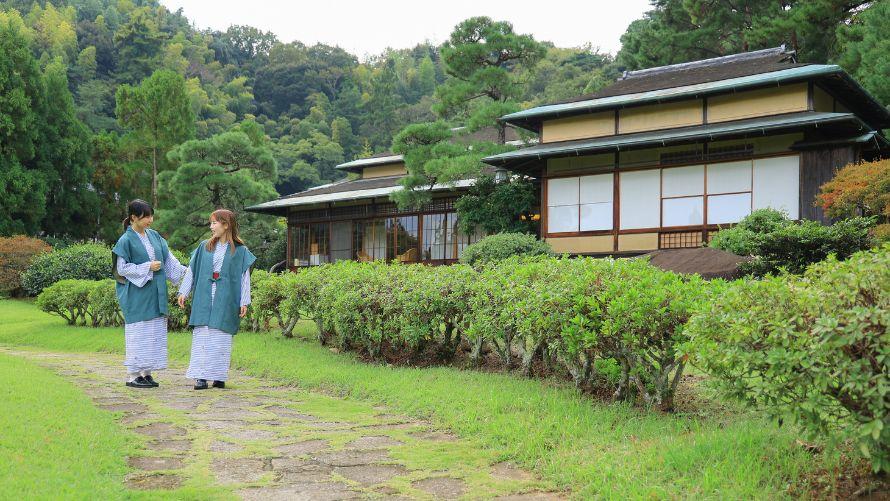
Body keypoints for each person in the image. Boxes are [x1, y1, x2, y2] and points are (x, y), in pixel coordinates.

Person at [112, 199, 186, 388]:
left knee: (153, 332)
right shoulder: (125, 240)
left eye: (151, 216)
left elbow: (169, 260)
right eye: (146, 217)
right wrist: (147, 267)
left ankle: (146, 373)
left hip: (156, 292)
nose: (150, 220)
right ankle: (133, 375)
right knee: (139, 332)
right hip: (137, 295)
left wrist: (187, 273)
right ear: (133, 218)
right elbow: (121, 269)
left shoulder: (154, 236)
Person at [177, 209, 255, 390]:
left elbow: (244, 277)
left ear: (226, 225)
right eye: (210, 223)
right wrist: (184, 292)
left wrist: (244, 301)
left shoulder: (240, 251)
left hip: (226, 297)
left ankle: (218, 376)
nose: (211, 227)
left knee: (221, 336)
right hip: (204, 294)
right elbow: (192, 270)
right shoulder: (204, 246)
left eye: (214, 223)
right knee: (203, 335)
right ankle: (201, 377)